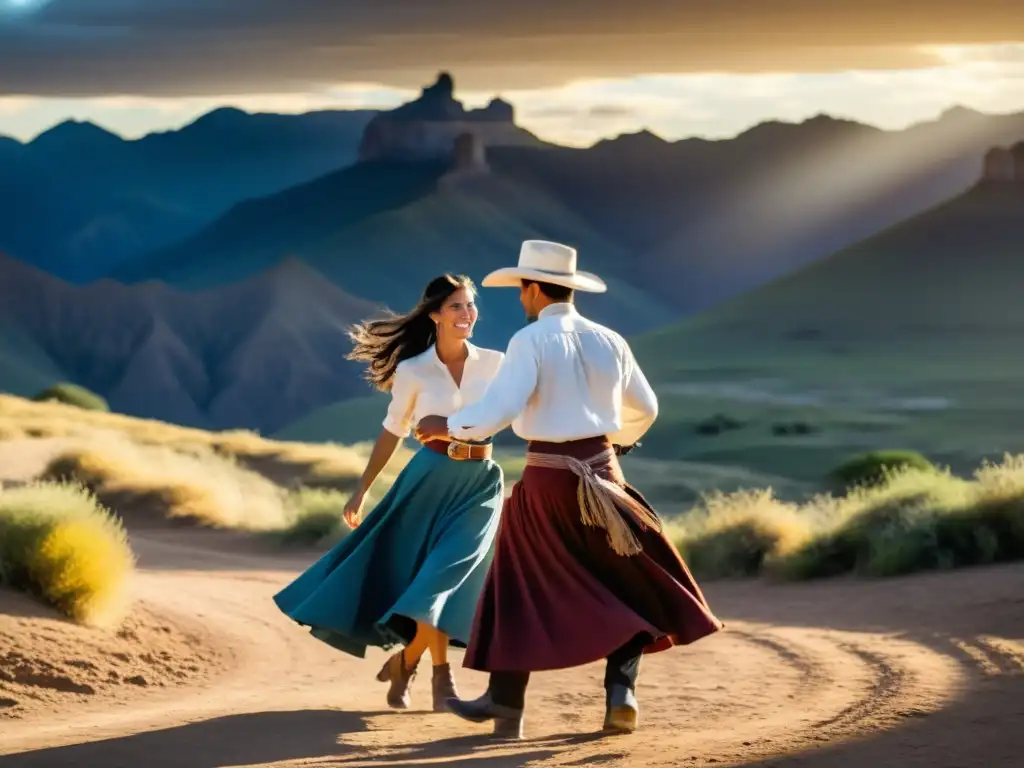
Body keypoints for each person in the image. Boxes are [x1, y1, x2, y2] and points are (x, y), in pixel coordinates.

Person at [415, 240, 724, 740]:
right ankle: (620, 695)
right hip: (605, 476)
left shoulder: (530, 340)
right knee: (627, 582)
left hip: (549, 481)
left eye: (521, 290)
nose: (520, 299)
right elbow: (645, 408)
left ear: (534, 289)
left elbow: (499, 410)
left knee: (518, 584)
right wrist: (610, 445)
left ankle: (505, 704)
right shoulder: (610, 339)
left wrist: (446, 424)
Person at [273, 274, 506, 713]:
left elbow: (514, 413)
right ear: (435, 314)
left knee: (441, 581)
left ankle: (410, 663)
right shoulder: (414, 370)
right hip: (428, 479)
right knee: (428, 583)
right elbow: (393, 430)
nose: (467, 314)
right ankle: (439, 677)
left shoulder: (497, 363)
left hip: (480, 483)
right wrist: (362, 489)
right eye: (456, 306)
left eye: (471, 305)